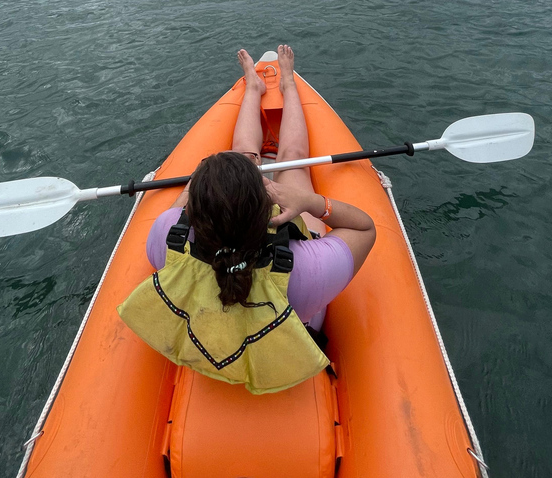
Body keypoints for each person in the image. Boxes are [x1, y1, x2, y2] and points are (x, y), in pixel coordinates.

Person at [118, 46, 375, 394]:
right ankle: (287, 84)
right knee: (294, 161)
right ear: (266, 208)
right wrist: (311, 202)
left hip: (214, 310)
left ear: (194, 211)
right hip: (292, 311)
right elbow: (365, 228)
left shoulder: (166, 235)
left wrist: (206, 182)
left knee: (241, 156)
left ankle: (253, 89)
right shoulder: (306, 271)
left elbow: (177, 212)